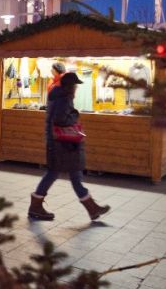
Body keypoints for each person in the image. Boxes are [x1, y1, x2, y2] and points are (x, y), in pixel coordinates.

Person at [28, 72, 110, 221]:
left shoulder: (56, 96)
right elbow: (61, 119)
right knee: (64, 173)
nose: (76, 88)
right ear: (70, 86)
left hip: (58, 143)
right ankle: (36, 206)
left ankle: (91, 208)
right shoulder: (64, 99)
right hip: (63, 143)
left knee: (67, 173)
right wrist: (74, 115)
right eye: (75, 85)